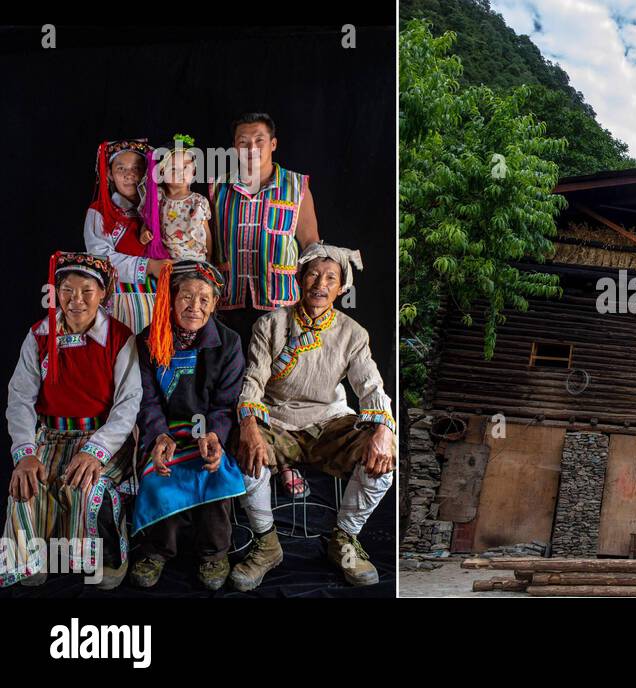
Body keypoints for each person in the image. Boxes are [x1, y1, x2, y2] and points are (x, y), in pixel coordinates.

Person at [231, 243, 394, 590]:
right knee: (245, 454)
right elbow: (254, 380)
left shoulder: (353, 334)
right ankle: (267, 545)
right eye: (313, 275)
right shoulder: (271, 325)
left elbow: (370, 386)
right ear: (300, 279)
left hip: (329, 423)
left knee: (383, 459)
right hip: (277, 421)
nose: (320, 284)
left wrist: (383, 429)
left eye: (331, 278)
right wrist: (248, 425)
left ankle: (344, 541)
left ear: (341, 288)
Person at [1, 252, 141, 589]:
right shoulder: (39, 335)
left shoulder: (120, 339)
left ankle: (107, 558)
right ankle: (31, 558)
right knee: (27, 484)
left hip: (100, 437)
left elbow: (127, 404)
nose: (75, 300)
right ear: (56, 291)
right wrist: (26, 453)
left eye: (86, 291)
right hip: (49, 435)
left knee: (88, 486)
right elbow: (20, 398)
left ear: (103, 294)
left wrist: (95, 452)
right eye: (67, 290)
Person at [209, 113, 320, 497]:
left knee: (279, 385)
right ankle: (232, 464)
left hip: (279, 305)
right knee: (232, 383)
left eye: (259, 139)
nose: (250, 147)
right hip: (228, 303)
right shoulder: (217, 187)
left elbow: (311, 246)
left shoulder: (296, 186)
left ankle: (282, 464)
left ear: (273, 144)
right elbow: (205, 246)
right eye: (242, 140)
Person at [130, 260, 246, 590]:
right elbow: (147, 399)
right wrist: (157, 437)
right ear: (171, 297)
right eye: (187, 297)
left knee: (214, 469)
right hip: (164, 431)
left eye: (204, 299)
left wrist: (214, 435)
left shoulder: (229, 343)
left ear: (215, 303)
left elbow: (225, 403)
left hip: (207, 431)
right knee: (159, 473)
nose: (195, 307)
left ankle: (213, 553)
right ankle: (156, 550)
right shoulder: (148, 341)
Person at [84, 139, 171, 334]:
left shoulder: (163, 208)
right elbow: (101, 260)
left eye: (137, 168)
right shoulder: (100, 212)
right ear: (109, 174)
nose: (130, 174)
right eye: (121, 168)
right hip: (123, 302)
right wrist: (149, 266)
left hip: (162, 299)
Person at [151, 134, 213, 262]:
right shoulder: (158, 196)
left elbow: (206, 232)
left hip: (196, 260)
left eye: (186, 167)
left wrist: (209, 257)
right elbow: (148, 219)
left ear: (194, 171)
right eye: (173, 168)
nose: (181, 172)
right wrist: (143, 233)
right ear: (162, 172)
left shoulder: (199, 201)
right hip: (166, 262)